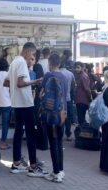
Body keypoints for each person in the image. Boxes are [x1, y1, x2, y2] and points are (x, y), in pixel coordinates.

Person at [3, 42, 47, 177]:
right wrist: (35, 81)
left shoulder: (14, 62)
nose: (32, 56)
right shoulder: (21, 62)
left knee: (18, 132)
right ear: (28, 51)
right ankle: (33, 166)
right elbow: (20, 83)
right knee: (30, 134)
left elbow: (6, 82)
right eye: (32, 54)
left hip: (16, 103)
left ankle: (16, 163)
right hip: (25, 103)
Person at [40, 54, 68, 183]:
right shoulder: (64, 76)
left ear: (50, 63)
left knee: (53, 143)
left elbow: (41, 95)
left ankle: (56, 173)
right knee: (59, 143)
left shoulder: (48, 76)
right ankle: (60, 170)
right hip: (62, 113)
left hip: (51, 115)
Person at [59, 60, 75, 141]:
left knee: (59, 116)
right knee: (67, 117)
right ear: (64, 65)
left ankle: (60, 134)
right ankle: (68, 134)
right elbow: (73, 85)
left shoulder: (57, 74)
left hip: (59, 99)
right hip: (68, 98)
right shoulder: (70, 73)